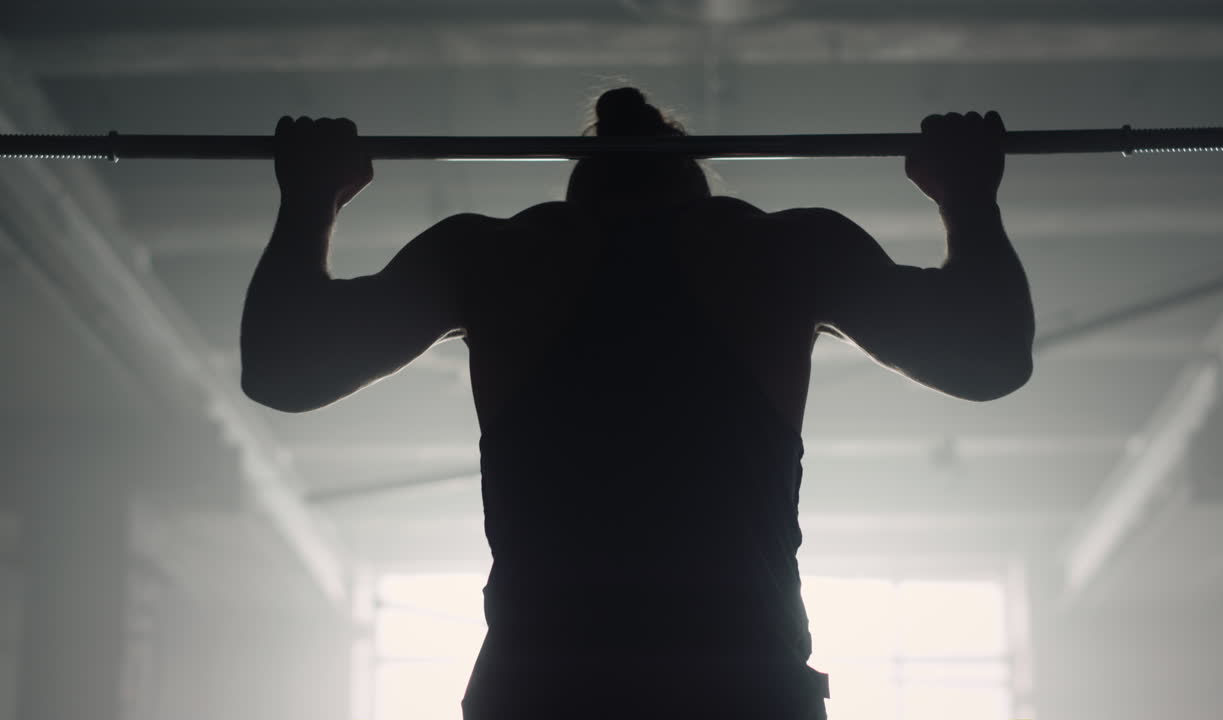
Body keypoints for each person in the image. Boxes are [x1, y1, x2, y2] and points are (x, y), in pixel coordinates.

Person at [240, 87, 1035, 720]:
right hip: (741, 684)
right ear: (692, 178)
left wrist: (311, 197)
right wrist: (967, 194)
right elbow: (989, 356)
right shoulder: (779, 253)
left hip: (546, 686)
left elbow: (284, 368)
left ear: (578, 183)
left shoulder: (495, 257)